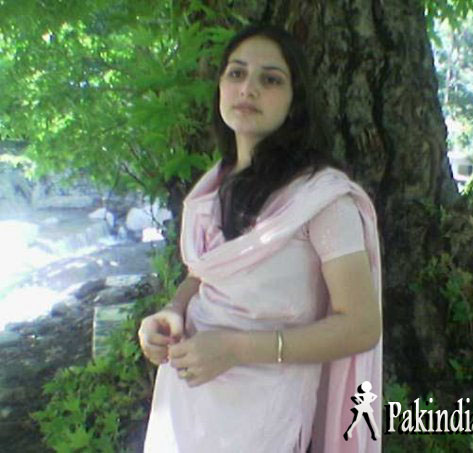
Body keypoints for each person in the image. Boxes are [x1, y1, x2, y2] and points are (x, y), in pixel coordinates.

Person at [138, 24, 383, 453]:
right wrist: (172, 310)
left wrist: (235, 348)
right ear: (220, 87)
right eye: (236, 73)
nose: (248, 88)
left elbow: (361, 326)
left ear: (295, 100)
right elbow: (204, 276)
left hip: (263, 422)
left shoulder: (321, 200)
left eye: (270, 79)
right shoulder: (215, 186)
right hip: (184, 405)